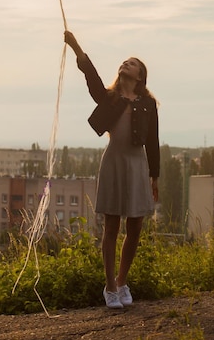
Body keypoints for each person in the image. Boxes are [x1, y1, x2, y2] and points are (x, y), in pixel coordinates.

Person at [64, 30, 160, 309]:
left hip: (137, 165)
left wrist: (155, 175)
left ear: (140, 76)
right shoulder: (109, 98)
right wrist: (75, 46)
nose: (125, 64)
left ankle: (121, 281)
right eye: (124, 62)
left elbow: (153, 140)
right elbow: (91, 77)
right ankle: (109, 287)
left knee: (136, 226)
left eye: (132, 63)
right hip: (114, 163)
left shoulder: (148, 104)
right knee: (111, 227)